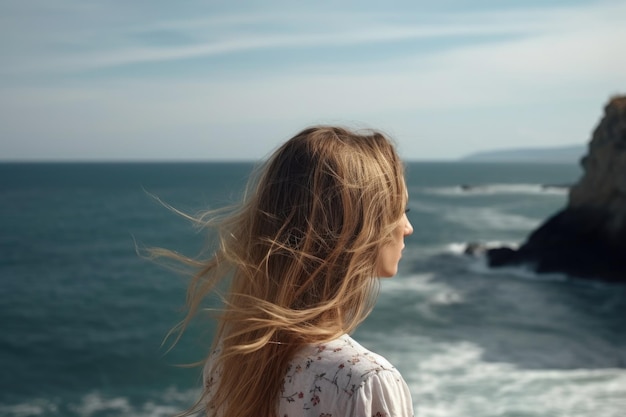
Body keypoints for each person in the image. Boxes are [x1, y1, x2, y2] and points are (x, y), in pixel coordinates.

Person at [161, 126, 414, 417]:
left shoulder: (232, 361)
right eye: (400, 211)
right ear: (358, 227)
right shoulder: (365, 383)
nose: (407, 228)